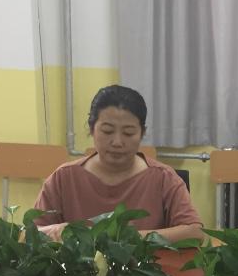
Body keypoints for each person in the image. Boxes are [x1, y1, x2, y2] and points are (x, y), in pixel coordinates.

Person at [33, 85, 203, 243]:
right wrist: (57, 232)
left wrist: (123, 239)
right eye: (107, 131)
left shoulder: (164, 178)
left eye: (128, 133)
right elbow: (31, 234)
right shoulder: (64, 178)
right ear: (92, 129)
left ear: (142, 133)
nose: (117, 142)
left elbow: (194, 232)